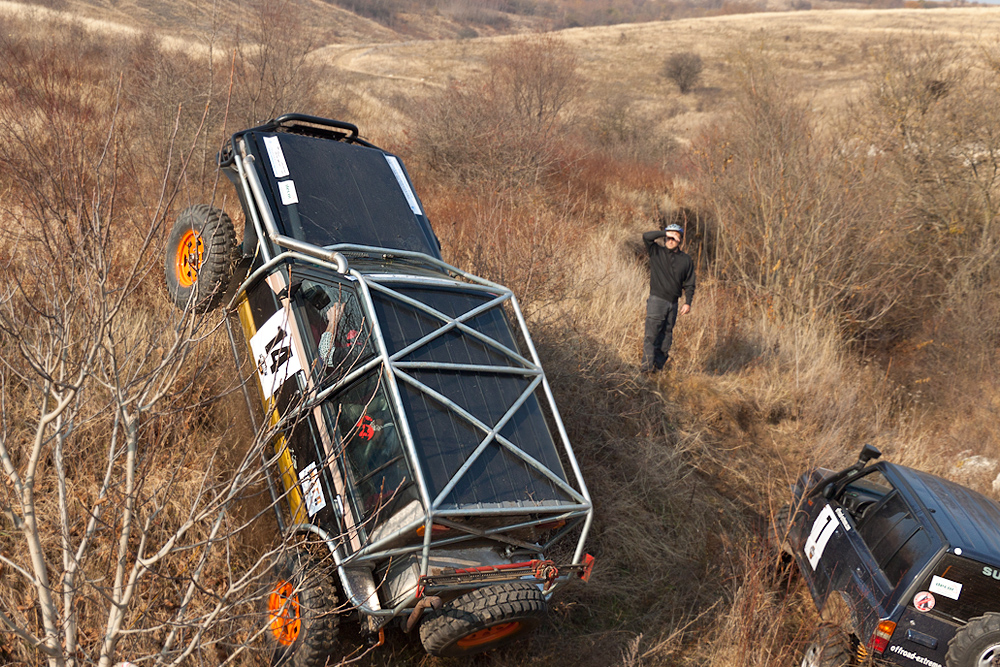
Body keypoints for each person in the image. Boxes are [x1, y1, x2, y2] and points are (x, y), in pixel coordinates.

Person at [641, 223, 695, 373]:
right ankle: (646, 370)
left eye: (674, 237)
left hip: (673, 304)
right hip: (656, 301)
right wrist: (665, 233)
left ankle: (657, 370)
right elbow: (646, 236)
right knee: (651, 336)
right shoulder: (656, 251)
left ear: (680, 240)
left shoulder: (686, 260)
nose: (670, 240)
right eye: (668, 237)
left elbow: (690, 284)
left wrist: (688, 303)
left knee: (666, 340)